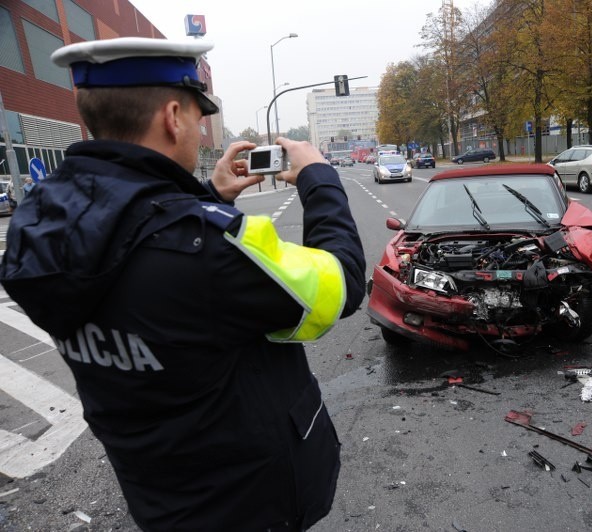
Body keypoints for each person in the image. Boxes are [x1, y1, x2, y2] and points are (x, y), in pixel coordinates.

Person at [0, 37, 366, 531]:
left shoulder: (37, 227)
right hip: (249, 504)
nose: (197, 127)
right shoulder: (208, 248)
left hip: (157, 496)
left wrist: (208, 196)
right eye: (198, 115)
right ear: (173, 116)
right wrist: (319, 178)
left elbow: (130, 243)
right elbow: (340, 285)